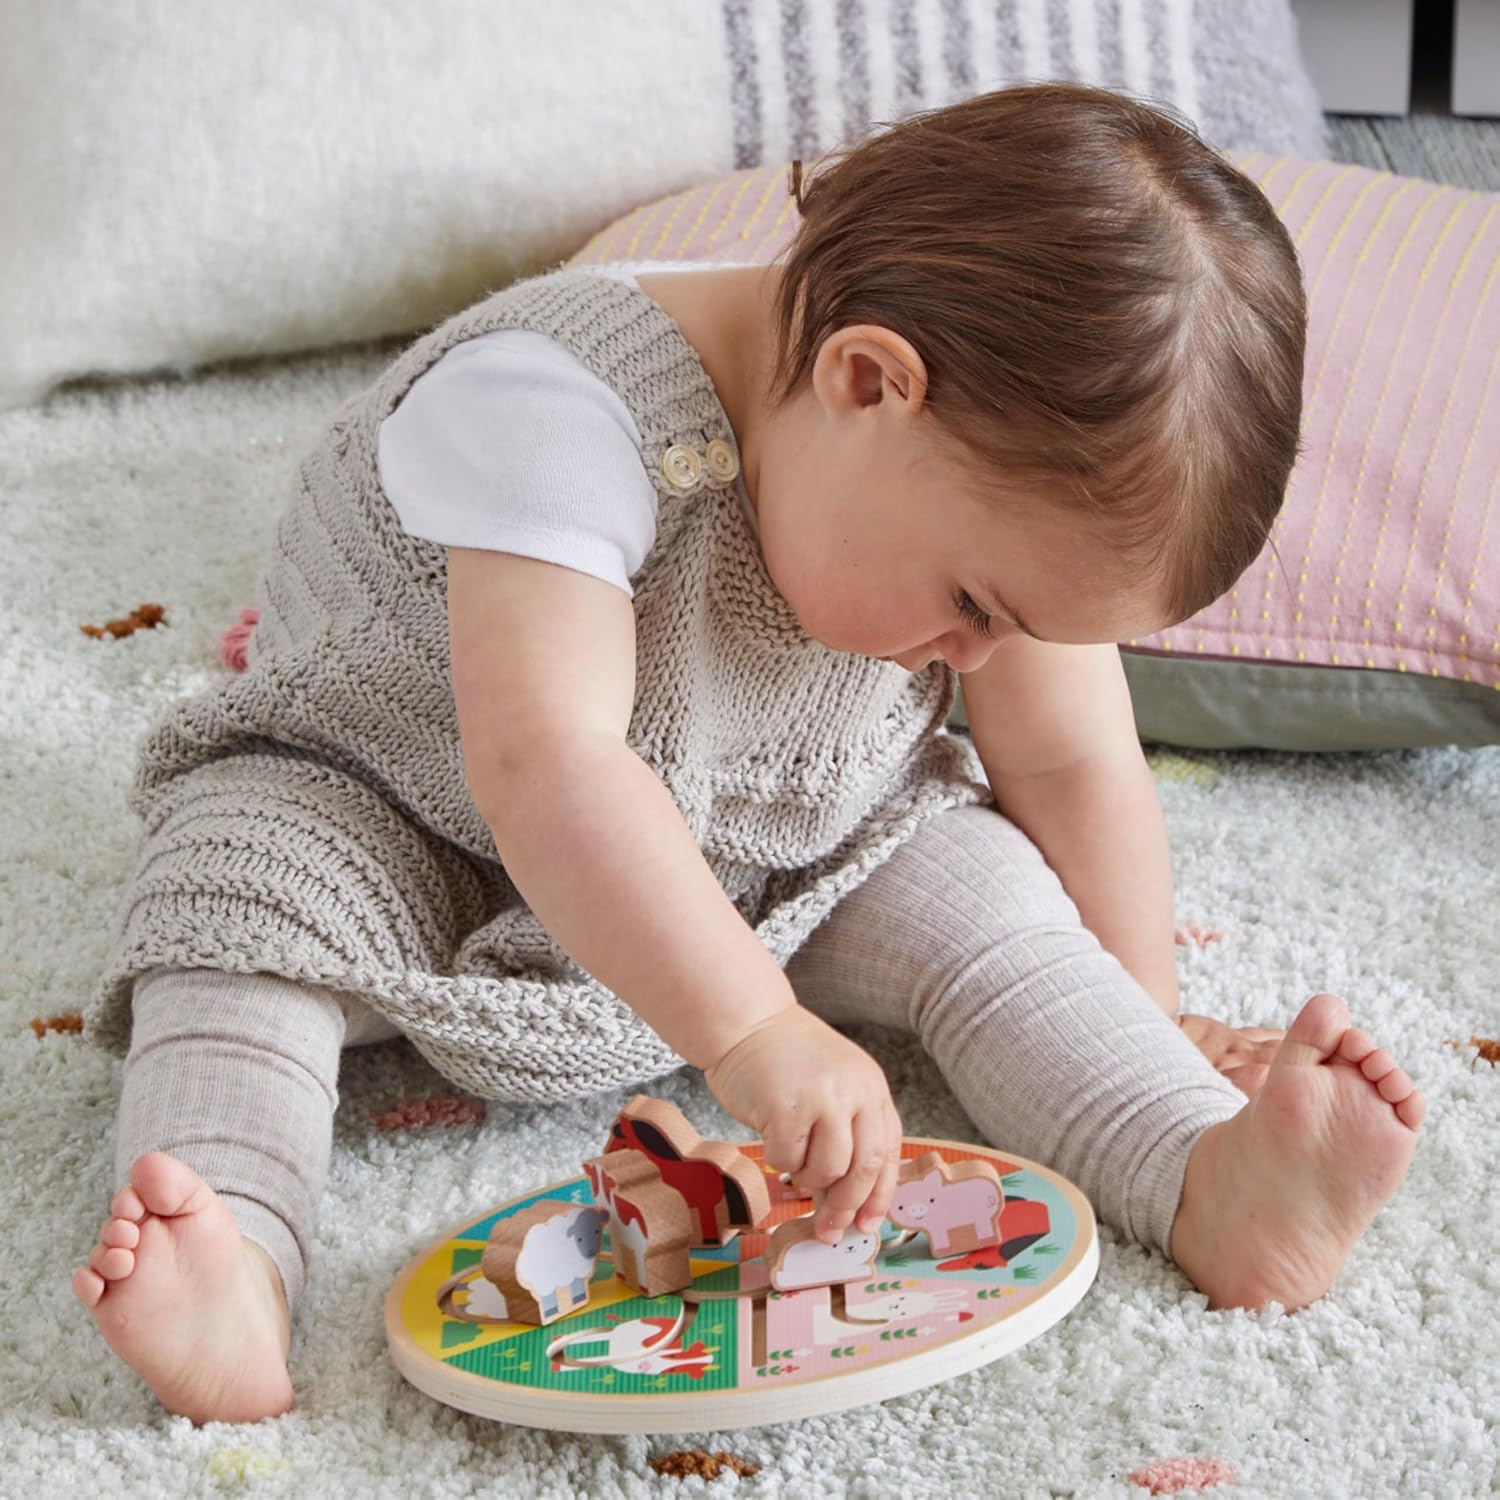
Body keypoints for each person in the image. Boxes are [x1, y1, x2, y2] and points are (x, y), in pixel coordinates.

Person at [70, 81, 1424, 1425]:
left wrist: (1148, 1012)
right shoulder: (555, 407)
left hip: (769, 831)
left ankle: (1199, 1173)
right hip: (397, 808)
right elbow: (548, 766)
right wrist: (756, 1032)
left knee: (993, 898)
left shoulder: (967, 487)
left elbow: (1072, 766)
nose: (978, 663)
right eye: (973, 607)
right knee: (233, 908)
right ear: (867, 382)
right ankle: (237, 1256)